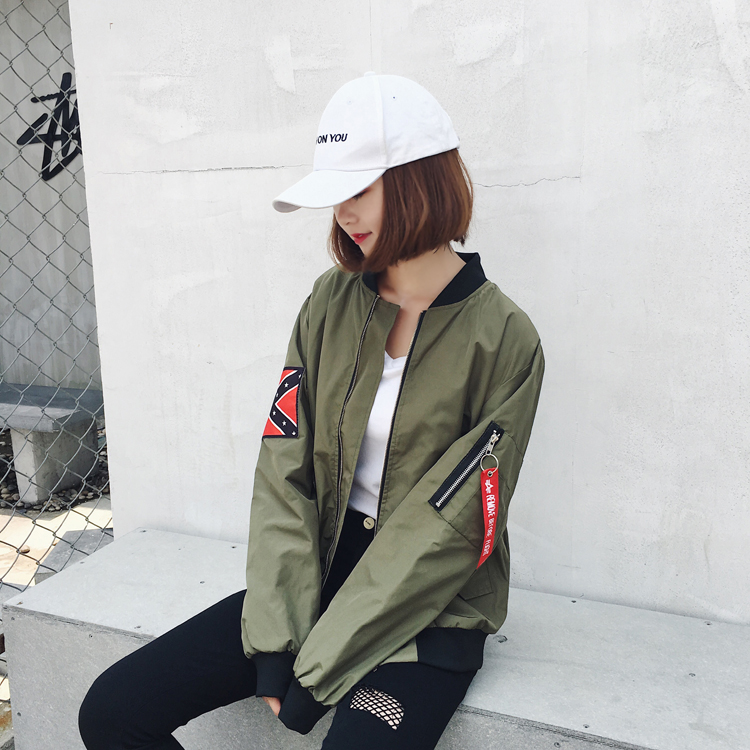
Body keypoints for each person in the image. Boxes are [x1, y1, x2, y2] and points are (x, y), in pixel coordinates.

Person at [78, 72, 545, 750]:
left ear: (421, 181)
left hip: (429, 615)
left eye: (359, 190)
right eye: (335, 197)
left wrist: (319, 666)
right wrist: (276, 635)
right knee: (113, 711)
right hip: (313, 578)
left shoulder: (505, 340)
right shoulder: (330, 303)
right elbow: (284, 468)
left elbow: (450, 526)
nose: (344, 215)